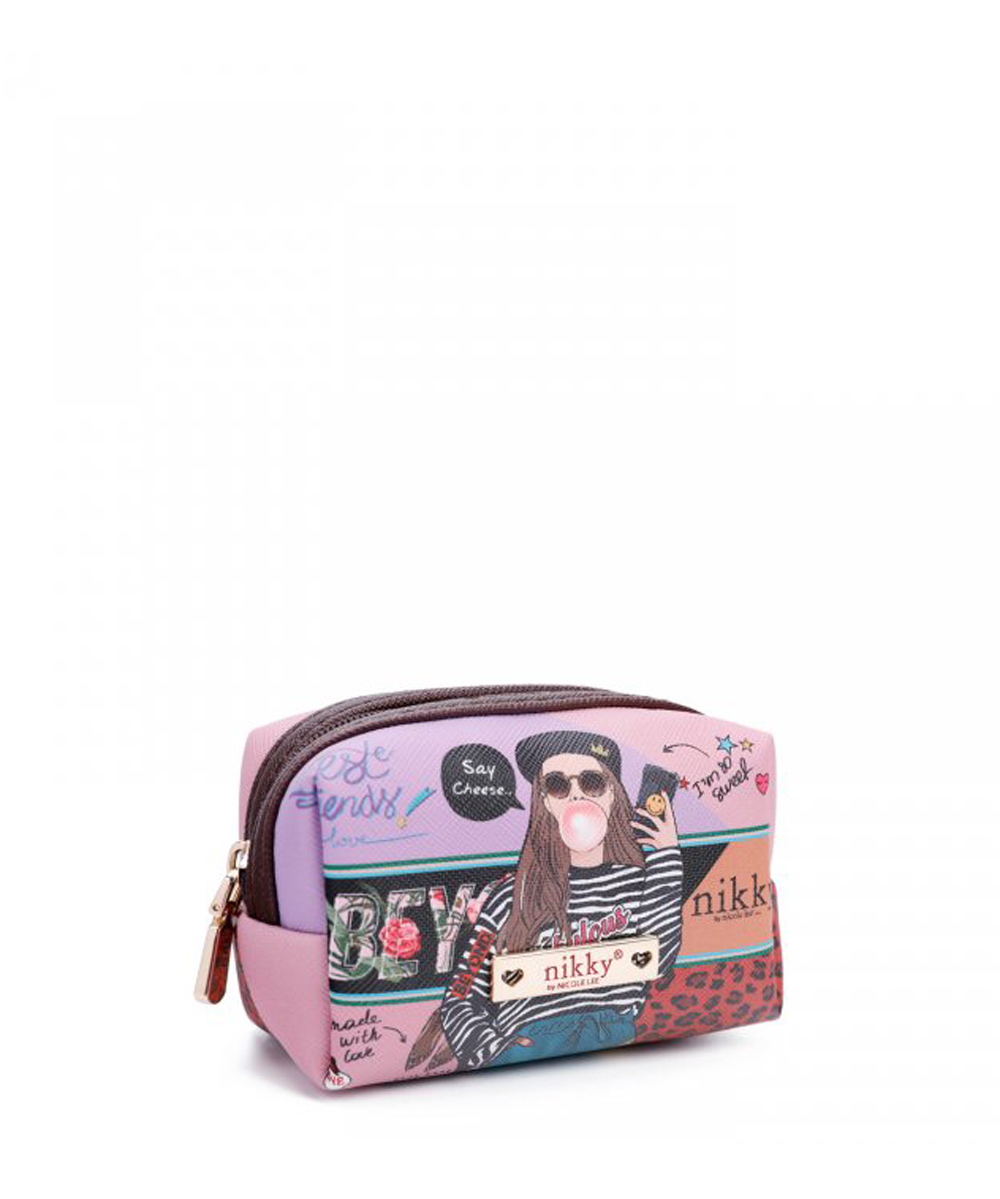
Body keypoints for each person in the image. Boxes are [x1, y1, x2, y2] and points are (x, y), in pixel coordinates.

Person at [435, 730, 683, 1069]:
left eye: (592, 782)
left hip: (618, 1046)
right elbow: (461, 993)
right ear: (545, 801)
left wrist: (666, 857)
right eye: (557, 785)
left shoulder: (640, 883)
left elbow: (659, 959)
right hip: (524, 1051)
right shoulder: (511, 897)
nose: (576, 795)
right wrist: (491, 1049)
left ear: (612, 793)